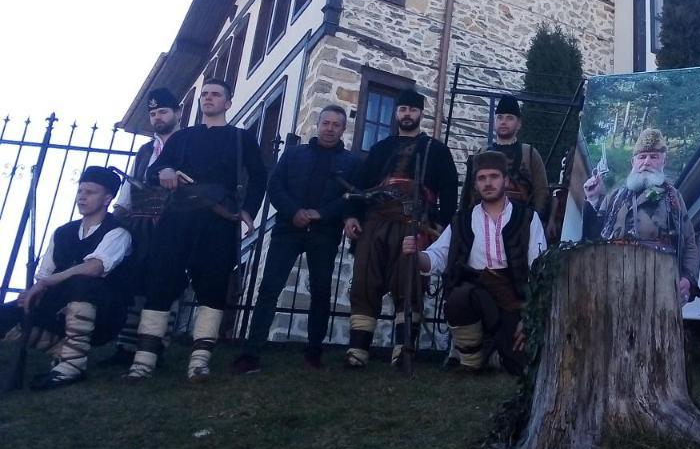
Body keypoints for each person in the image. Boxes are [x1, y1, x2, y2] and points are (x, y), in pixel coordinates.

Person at [125, 78, 267, 382]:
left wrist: (246, 211)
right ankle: (143, 361)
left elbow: (258, 177)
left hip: (217, 220)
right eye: (204, 94)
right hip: (177, 216)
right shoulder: (182, 138)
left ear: (228, 103)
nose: (208, 98)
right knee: (161, 282)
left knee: (213, 286)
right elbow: (153, 171)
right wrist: (163, 170)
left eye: (216, 95)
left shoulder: (242, 139)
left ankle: (199, 361)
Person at [232, 106, 360, 373]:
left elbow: (351, 198)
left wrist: (321, 214)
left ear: (343, 129)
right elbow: (275, 186)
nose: (330, 128)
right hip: (287, 229)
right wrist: (295, 212)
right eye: (326, 122)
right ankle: (251, 353)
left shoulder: (351, 163)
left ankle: (314, 354)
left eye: (336, 124)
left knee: (321, 293)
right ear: (318, 123)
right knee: (268, 290)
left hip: (324, 233)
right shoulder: (293, 154)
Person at [343, 88, 458, 368]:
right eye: (403, 110)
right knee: (364, 281)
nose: (407, 114)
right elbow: (360, 186)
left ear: (421, 114)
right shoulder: (379, 149)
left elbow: (449, 189)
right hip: (376, 220)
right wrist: (352, 217)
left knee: (409, 283)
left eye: (413, 110)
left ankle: (403, 349)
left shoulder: (437, 150)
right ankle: (358, 351)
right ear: (397, 114)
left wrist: (441, 224)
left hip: (414, 221)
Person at [405, 150, 547, 374]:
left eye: (494, 176)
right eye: (482, 178)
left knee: (520, 364)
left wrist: (529, 317)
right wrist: (416, 255)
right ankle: (470, 360)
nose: (488, 183)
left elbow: (538, 268)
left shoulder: (528, 218)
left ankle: (493, 352)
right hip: (476, 291)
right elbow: (435, 258)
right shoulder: (462, 220)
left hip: (513, 297)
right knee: (459, 297)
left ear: (506, 180)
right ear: (475, 184)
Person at [0, 167, 132, 390]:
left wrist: (45, 283)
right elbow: (44, 274)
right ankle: (63, 351)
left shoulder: (118, 232)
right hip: (58, 308)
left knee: (82, 282)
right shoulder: (63, 232)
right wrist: (34, 292)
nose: (82, 196)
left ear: (107, 198)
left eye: (90, 192)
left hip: (103, 315)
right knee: (5, 315)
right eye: (80, 191)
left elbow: (94, 268)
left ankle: (73, 366)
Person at [105, 87, 181, 367]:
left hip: (172, 221)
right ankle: (126, 347)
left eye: (162, 111)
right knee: (136, 280)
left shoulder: (186, 144)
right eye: (153, 113)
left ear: (177, 112)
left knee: (166, 282)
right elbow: (132, 181)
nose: (157, 117)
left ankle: (157, 345)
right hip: (140, 222)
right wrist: (120, 209)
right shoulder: (146, 150)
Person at [582, 127, 699, 305]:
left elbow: (689, 242)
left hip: (660, 287)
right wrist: (592, 199)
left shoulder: (673, 198)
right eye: (642, 157)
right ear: (633, 162)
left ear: (663, 161)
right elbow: (593, 238)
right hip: (615, 285)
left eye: (654, 157)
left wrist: (688, 278)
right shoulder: (613, 198)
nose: (646, 162)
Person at [460, 95, 550, 221]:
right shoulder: (482, 153)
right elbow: (469, 191)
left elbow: (541, 191)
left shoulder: (529, 154)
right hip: (484, 220)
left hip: (520, 222)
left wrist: (534, 220)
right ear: (495, 121)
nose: (503, 122)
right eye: (500, 117)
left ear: (518, 124)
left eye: (509, 118)